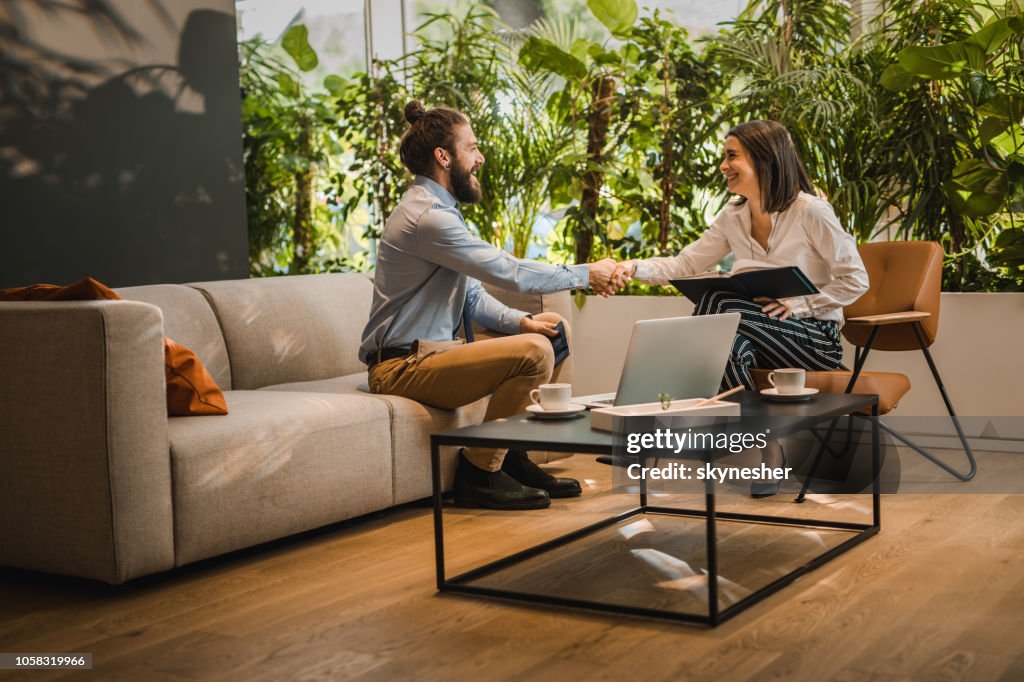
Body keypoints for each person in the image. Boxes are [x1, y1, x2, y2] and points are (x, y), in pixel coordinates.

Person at [360, 100, 618, 511]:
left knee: (551, 329)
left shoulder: (443, 213)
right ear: (443, 157)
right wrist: (587, 273)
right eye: (472, 147)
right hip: (400, 366)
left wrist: (523, 321)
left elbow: (472, 294)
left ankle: (511, 454)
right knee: (533, 352)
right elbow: (510, 271)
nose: (479, 158)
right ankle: (479, 472)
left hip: (436, 355)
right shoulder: (427, 218)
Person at [612, 120, 869, 495]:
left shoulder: (810, 212)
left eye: (732, 156)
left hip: (814, 341)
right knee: (731, 348)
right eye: (724, 156)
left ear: (764, 160)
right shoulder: (733, 216)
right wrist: (631, 267)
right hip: (752, 332)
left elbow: (856, 279)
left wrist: (800, 304)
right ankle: (766, 452)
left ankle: (664, 429)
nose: (723, 165)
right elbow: (685, 265)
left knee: (716, 303)